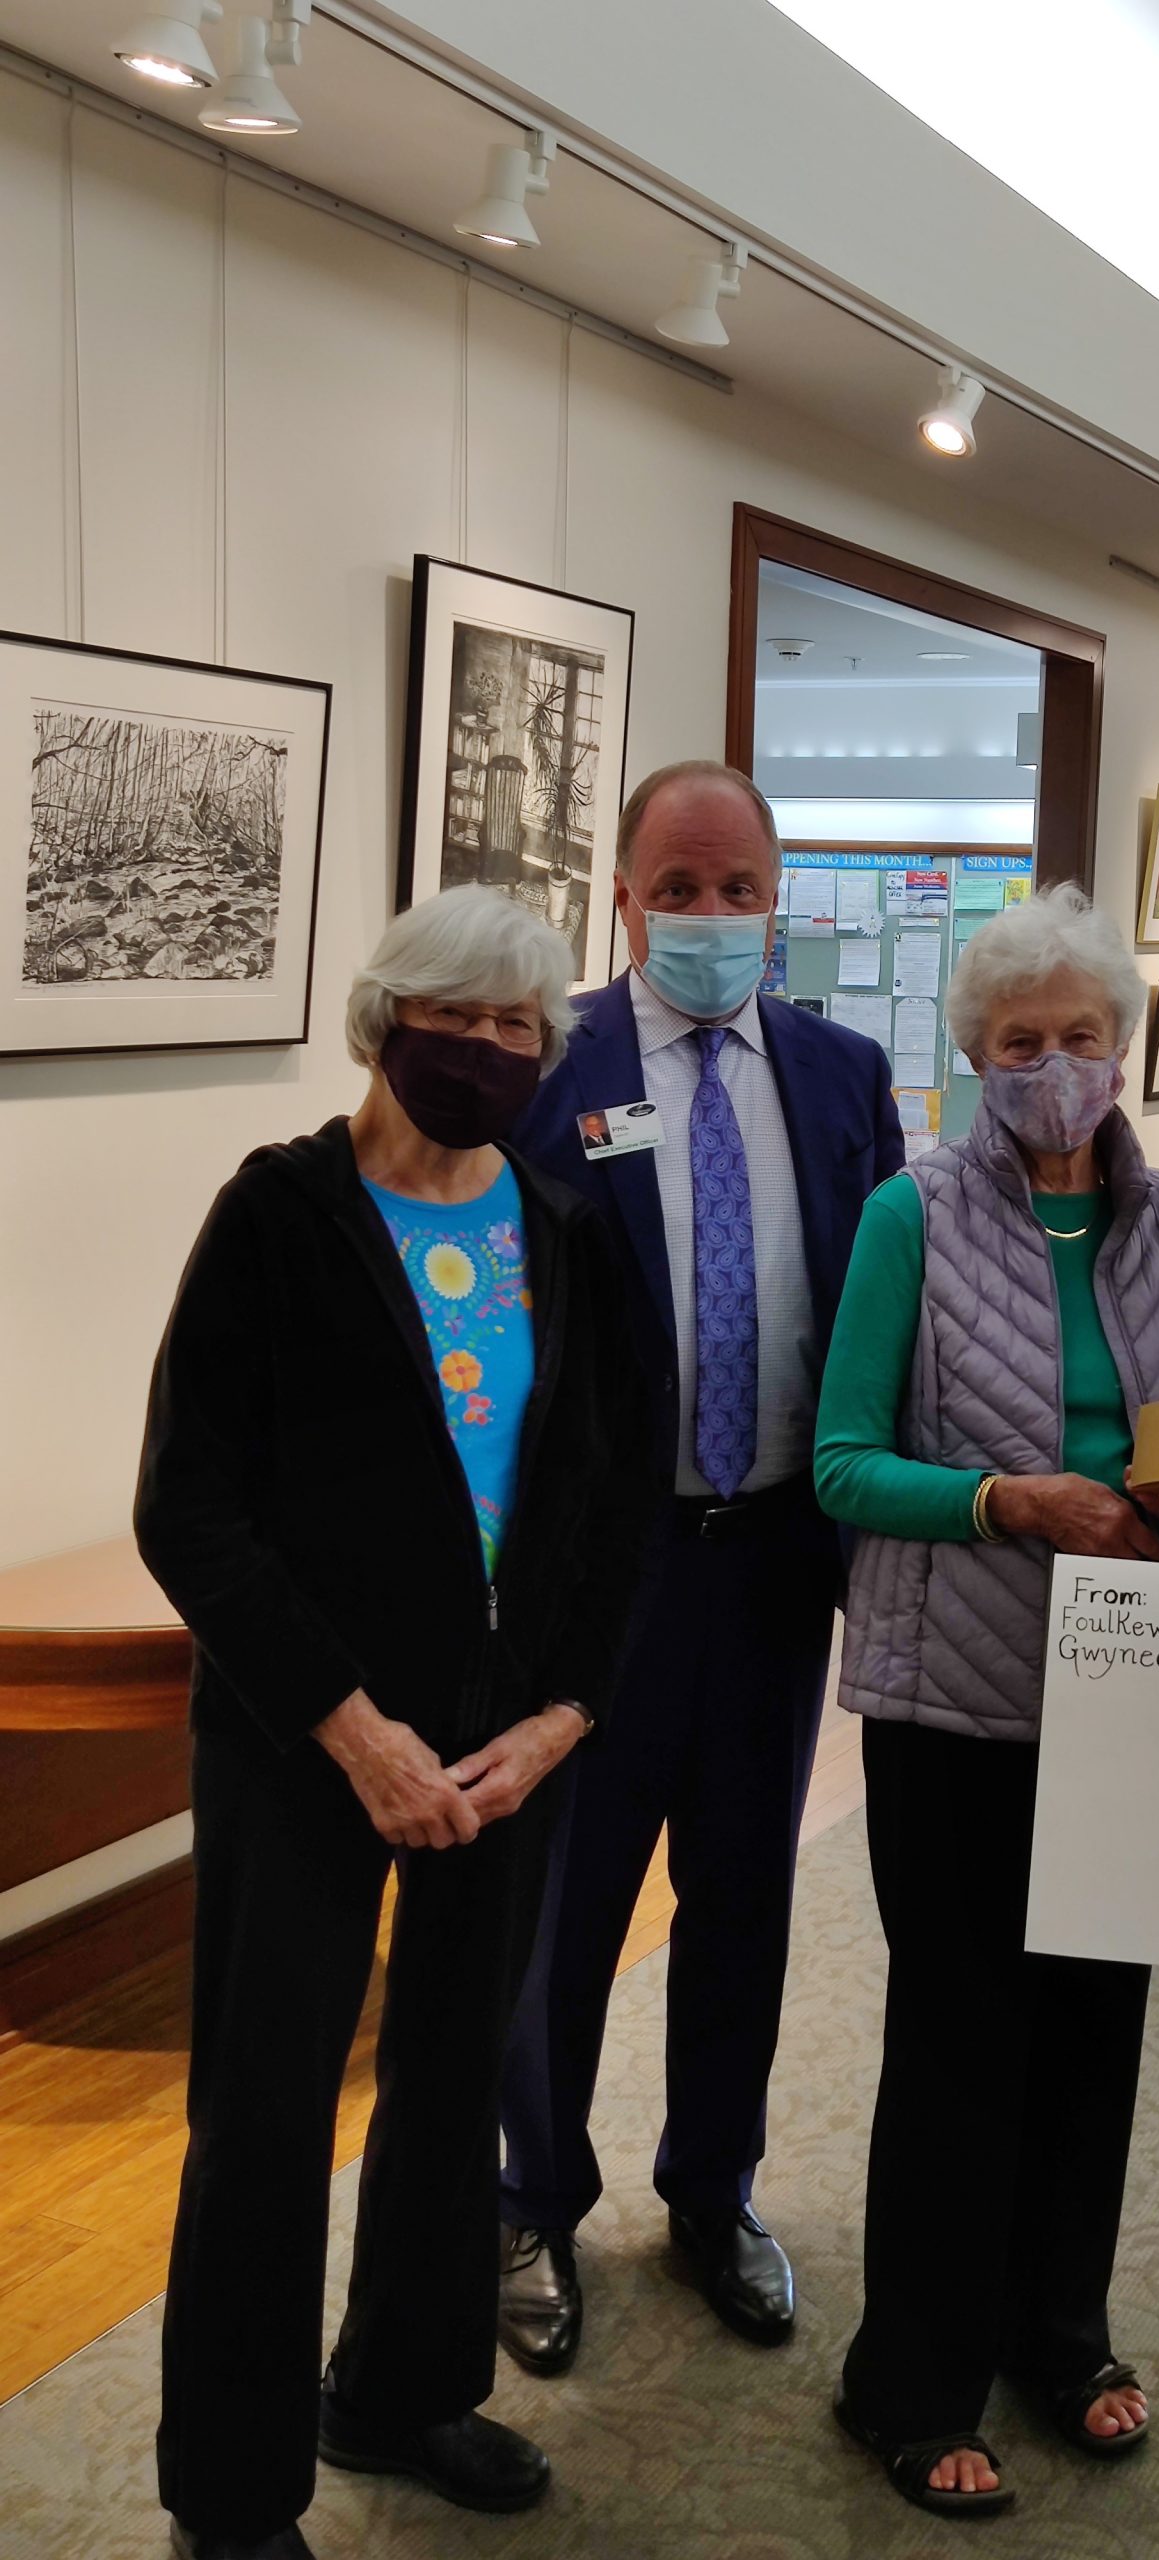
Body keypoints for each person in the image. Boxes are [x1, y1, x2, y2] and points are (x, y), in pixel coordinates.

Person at [135, 886, 649, 2560]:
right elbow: (188, 1510)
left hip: (505, 1753)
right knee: (267, 2113)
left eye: (524, 1029)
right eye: (461, 1016)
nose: (490, 1052)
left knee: (448, 2087)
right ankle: (234, 2489)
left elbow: (615, 1507)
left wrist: (563, 1716)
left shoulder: (569, 1236)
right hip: (306, 1748)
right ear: (384, 1019)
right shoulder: (278, 1216)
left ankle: (404, 2390)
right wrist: (354, 1729)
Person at [817, 884, 1159, 2518]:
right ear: (972, 1055)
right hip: (956, 1702)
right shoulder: (907, 1217)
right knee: (961, 2038)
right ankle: (909, 2381)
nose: (1052, 1066)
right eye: (1018, 1042)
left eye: (1078, 1038)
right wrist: (1011, 1502)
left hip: (1133, 1682)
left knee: (1094, 2031)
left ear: (1121, 1048)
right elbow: (847, 1465)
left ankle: (1061, 2334)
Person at [497, 761, 903, 2369]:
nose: (714, 916)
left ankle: (711, 2190)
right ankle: (534, 2196)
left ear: (778, 895)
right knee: (571, 1906)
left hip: (775, 1559)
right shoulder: (549, 1069)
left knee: (742, 1894)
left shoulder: (845, 1073)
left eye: (740, 888)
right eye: (683, 885)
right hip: (606, 1575)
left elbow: (888, 1314)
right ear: (623, 892)